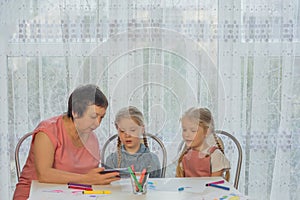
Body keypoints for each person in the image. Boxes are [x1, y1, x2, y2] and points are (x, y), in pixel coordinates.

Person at [13, 84, 120, 200]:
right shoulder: (47, 132)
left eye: (101, 117)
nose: (98, 123)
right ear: (75, 112)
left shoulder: (92, 139)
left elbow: (90, 176)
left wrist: (101, 177)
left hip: (68, 195)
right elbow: (44, 174)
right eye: (93, 116)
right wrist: (86, 179)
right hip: (32, 195)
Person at [104, 106, 161, 178]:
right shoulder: (112, 160)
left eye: (132, 130)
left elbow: (157, 187)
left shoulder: (152, 160)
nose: (127, 135)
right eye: (122, 131)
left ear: (142, 129)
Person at [176, 107, 230, 180]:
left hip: (211, 191)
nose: (186, 134)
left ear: (207, 131)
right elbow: (180, 180)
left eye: (193, 130)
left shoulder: (215, 155)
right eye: (184, 130)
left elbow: (215, 186)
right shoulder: (186, 154)